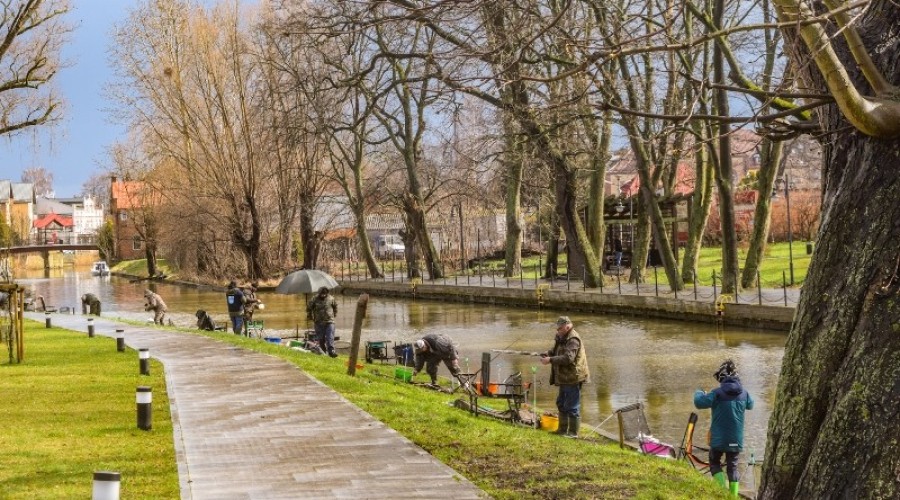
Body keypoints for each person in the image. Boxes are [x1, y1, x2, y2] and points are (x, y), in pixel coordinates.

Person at [694, 359, 754, 497]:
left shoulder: (717, 393)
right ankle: (732, 497)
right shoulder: (744, 393)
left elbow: (698, 402)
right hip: (735, 440)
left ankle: (721, 493)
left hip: (719, 439)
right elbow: (751, 405)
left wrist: (699, 392)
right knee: (732, 466)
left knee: (714, 462)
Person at [540, 316, 590, 437]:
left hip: (573, 377)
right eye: (557, 328)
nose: (558, 330)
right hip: (564, 377)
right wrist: (548, 353)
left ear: (568, 326)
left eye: (560, 328)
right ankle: (562, 430)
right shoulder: (561, 336)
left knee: (572, 406)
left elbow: (568, 358)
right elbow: (557, 350)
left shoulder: (573, 339)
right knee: (561, 403)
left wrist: (550, 360)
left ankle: (573, 433)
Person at [307, 286, 338, 357]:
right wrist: (310, 316)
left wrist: (334, 314)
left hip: (330, 321)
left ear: (327, 293)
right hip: (318, 322)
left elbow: (335, 306)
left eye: (325, 294)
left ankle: (331, 352)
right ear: (319, 293)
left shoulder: (331, 298)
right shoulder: (314, 299)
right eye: (322, 294)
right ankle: (323, 351)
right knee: (321, 338)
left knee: (330, 337)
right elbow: (309, 308)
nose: (323, 295)